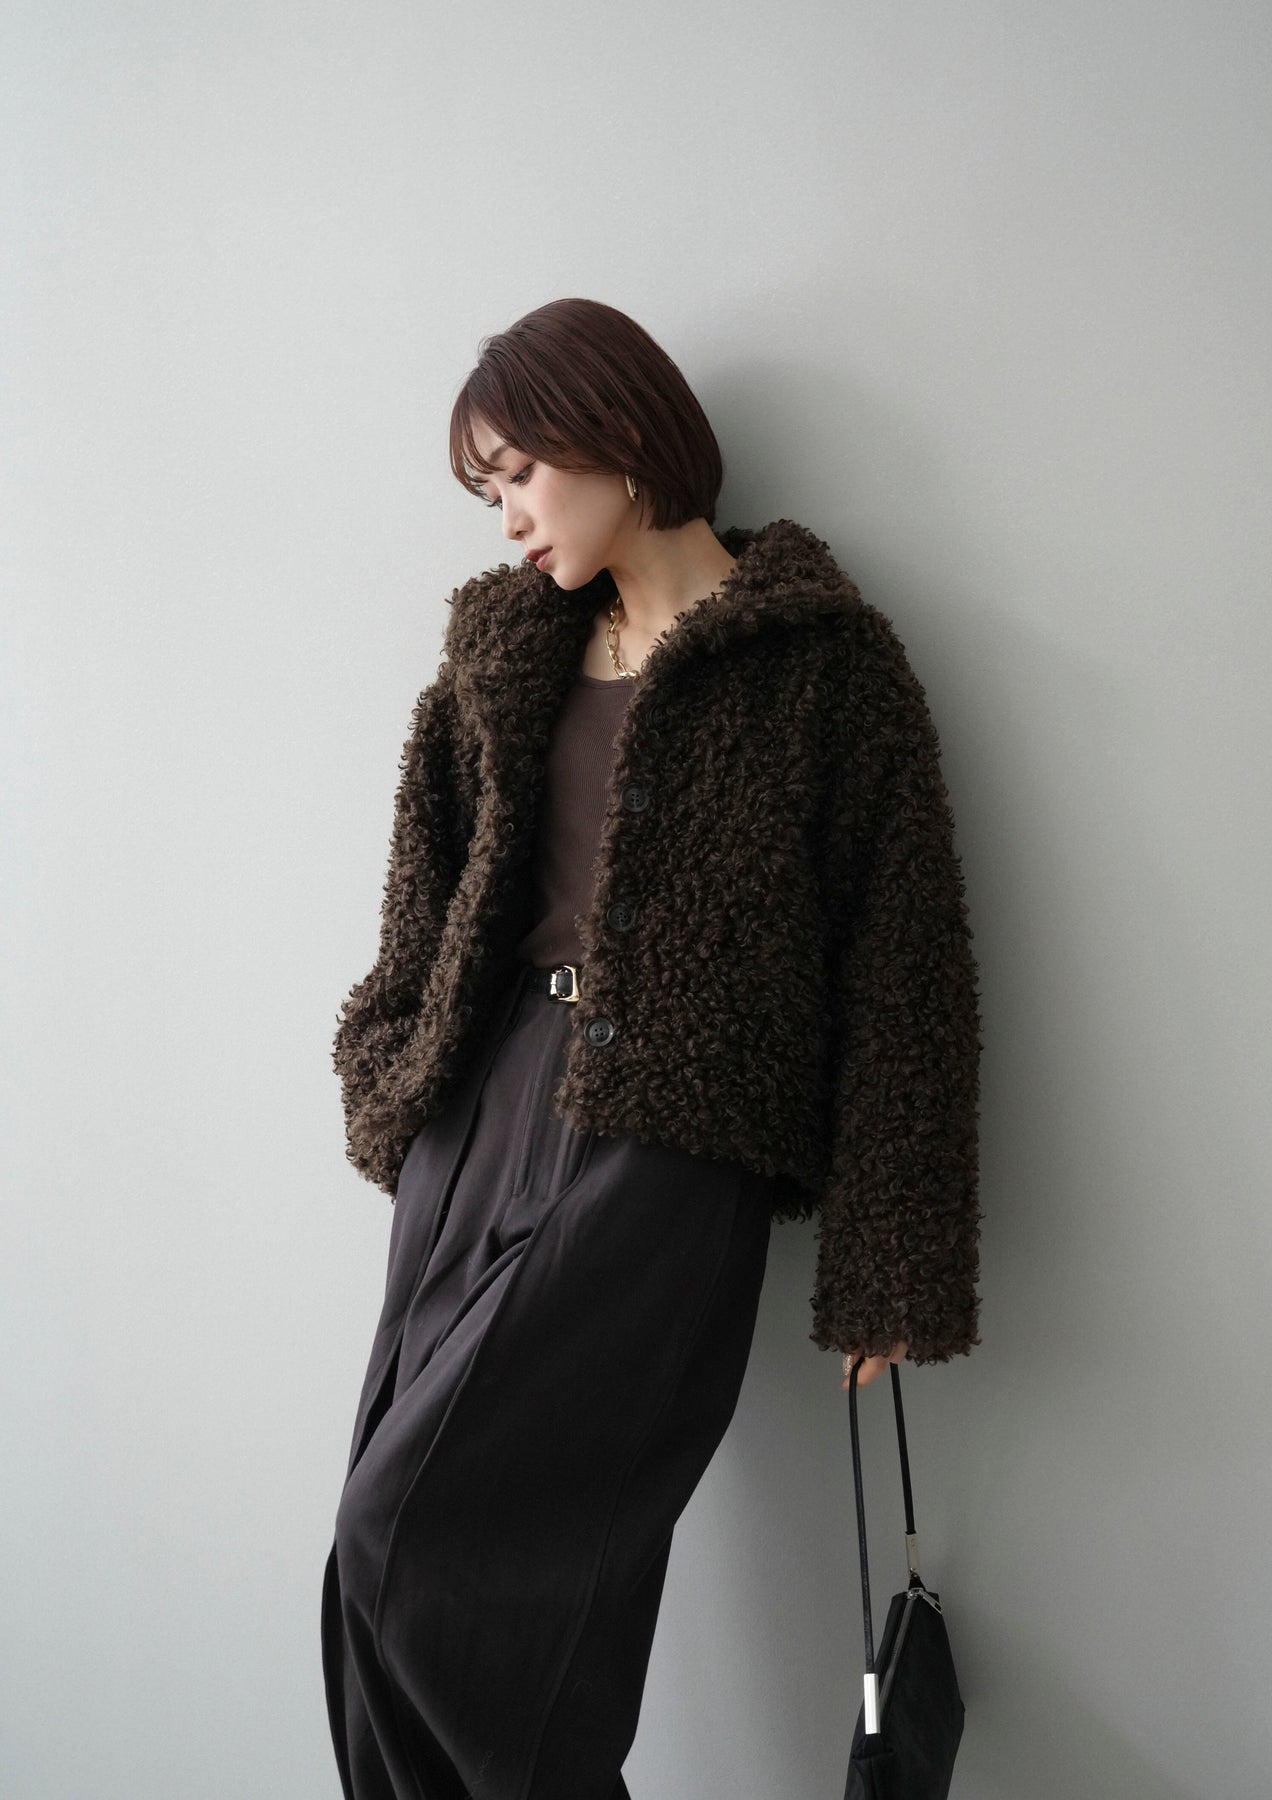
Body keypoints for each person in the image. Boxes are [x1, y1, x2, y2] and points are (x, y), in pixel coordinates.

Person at [320, 297, 983, 1799]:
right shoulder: (504, 654)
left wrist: (891, 1257)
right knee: (373, 1585)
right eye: (487, 493)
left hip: (667, 1148)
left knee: (417, 1551)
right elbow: (426, 892)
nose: (507, 521)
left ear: (615, 437)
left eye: (518, 477)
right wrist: (393, 1070)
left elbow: (906, 969)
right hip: (480, 1112)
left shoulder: (818, 667)